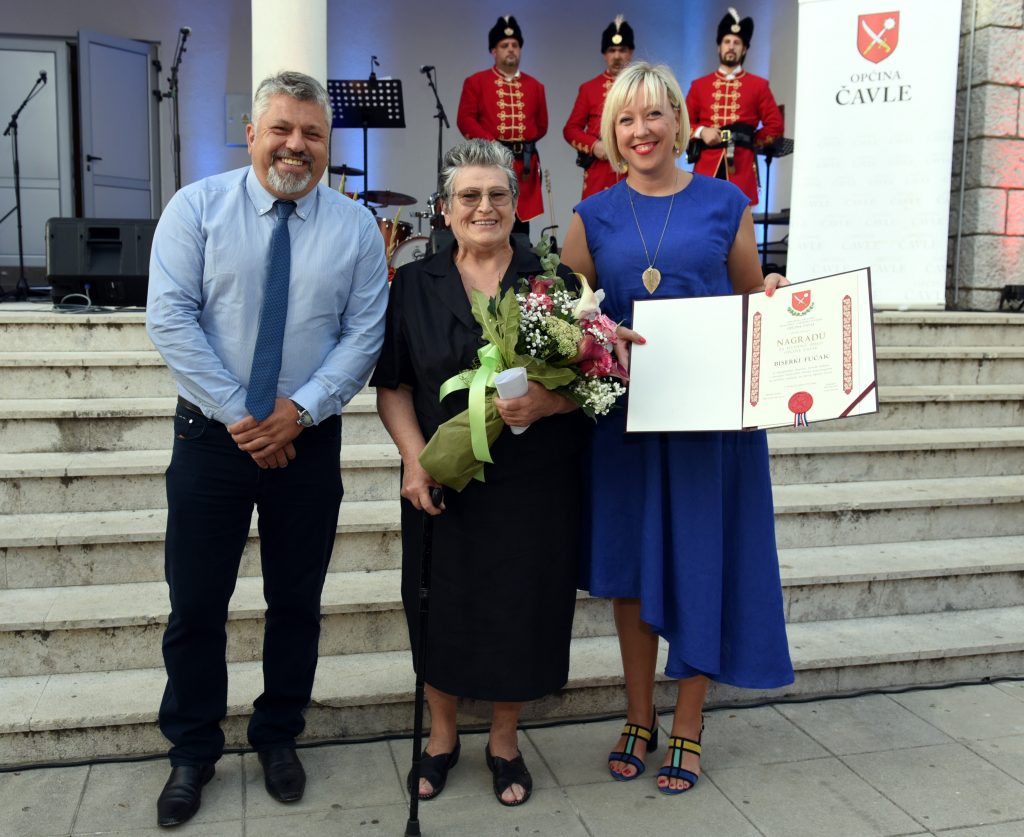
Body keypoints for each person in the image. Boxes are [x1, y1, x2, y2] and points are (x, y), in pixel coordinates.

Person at [145, 71, 388, 827]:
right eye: (281, 129)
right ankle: (192, 748)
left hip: (307, 442)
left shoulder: (354, 228)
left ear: (327, 144)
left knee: (296, 605)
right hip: (212, 439)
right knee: (196, 604)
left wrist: (301, 411)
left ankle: (278, 733)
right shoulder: (197, 209)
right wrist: (245, 415)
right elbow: (171, 318)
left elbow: (364, 333)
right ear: (251, 133)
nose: (296, 145)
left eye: (312, 133)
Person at [560, 62, 794, 796]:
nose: (642, 131)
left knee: (700, 560)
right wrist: (593, 339)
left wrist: (781, 297)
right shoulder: (590, 215)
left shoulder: (727, 202)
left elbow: (754, 295)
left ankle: (688, 722)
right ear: (610, 132)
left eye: (655, 115)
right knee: (630, 574)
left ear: (678, 123)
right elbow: (571, 323)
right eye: (626, 120)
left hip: (707, 420)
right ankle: (638, 714)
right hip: (625, 424)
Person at [371, 139, 585, 807]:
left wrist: (545, 400)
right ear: (444, 209)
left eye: (497, 194)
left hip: (533, 481)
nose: (483, 206)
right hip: (442, 480)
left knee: (521, 606)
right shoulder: (413, 284)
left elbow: (595, 383)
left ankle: (503, 739)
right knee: (437, 607)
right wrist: (413, 458)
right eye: (469, 196)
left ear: (517, 204)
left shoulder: (554, 283)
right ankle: (440, 737)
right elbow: (394, 385)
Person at [457, 15, 548, 237]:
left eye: (515, 45)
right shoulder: (476, 82)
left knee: (520, 225)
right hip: (491, 162)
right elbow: (465, 119)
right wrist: (492, 144)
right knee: (490, 216)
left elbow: (542, 125)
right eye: (504, 45)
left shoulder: (535, 86)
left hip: (523, 166)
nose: (510, 49)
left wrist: (523, 143)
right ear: (493, 51)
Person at [684, 8, 783, 206]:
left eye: (737, 43)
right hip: (706, 166)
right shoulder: (699, 85)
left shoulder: (758, 85)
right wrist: (702, 132)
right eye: (727, 42)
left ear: (744, 49)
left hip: (742, 166)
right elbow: (680, 123)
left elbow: (775, 126)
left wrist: (750, 141)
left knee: (740, 227)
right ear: (719, 47)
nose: (731, 47)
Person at [563, 15, 635, 199]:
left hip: (635, 169)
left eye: (622, 50)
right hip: (600, 173)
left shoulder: (642, 87)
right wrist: (594, 146)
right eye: (612, 50)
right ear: (605, 54)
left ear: (631, 52)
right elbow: (570, 129)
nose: (617, 56)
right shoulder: (589, 89)